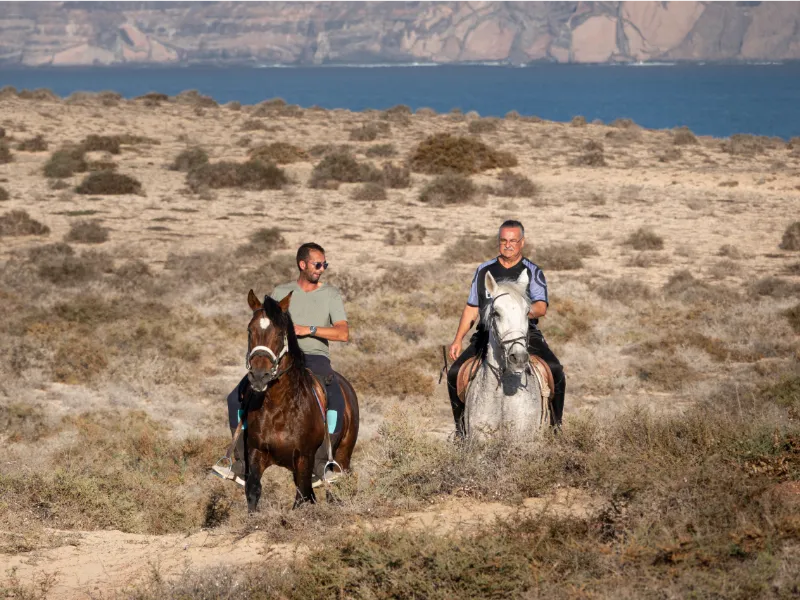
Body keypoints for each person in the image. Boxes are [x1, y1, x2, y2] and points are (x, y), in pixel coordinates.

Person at [212, 242, 349, 486]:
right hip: (280, 359)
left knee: (336, 397)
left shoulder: (331, 295)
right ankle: (239, 462)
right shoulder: (280, 292)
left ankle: (325, 462)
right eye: (318, 264)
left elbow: (343, 333)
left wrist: (309, 330)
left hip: (315, 358)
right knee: (235, 397)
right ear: (302, 264)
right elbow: (265, 325)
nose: (322, 269)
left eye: (324, 264)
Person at [446, 220, 566, 436]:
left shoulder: (533, 271)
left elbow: (541, 307)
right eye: (503, 241)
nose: (508, 245)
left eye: (513, 241)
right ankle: (461, 433)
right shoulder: (484, 271)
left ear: (522, 242)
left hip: (524, 332)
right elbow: (472, 307)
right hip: (487, 333)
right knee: (454, 373)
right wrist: (458, 339)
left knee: (556, 370)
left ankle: (556, 429)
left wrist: (516, 313)